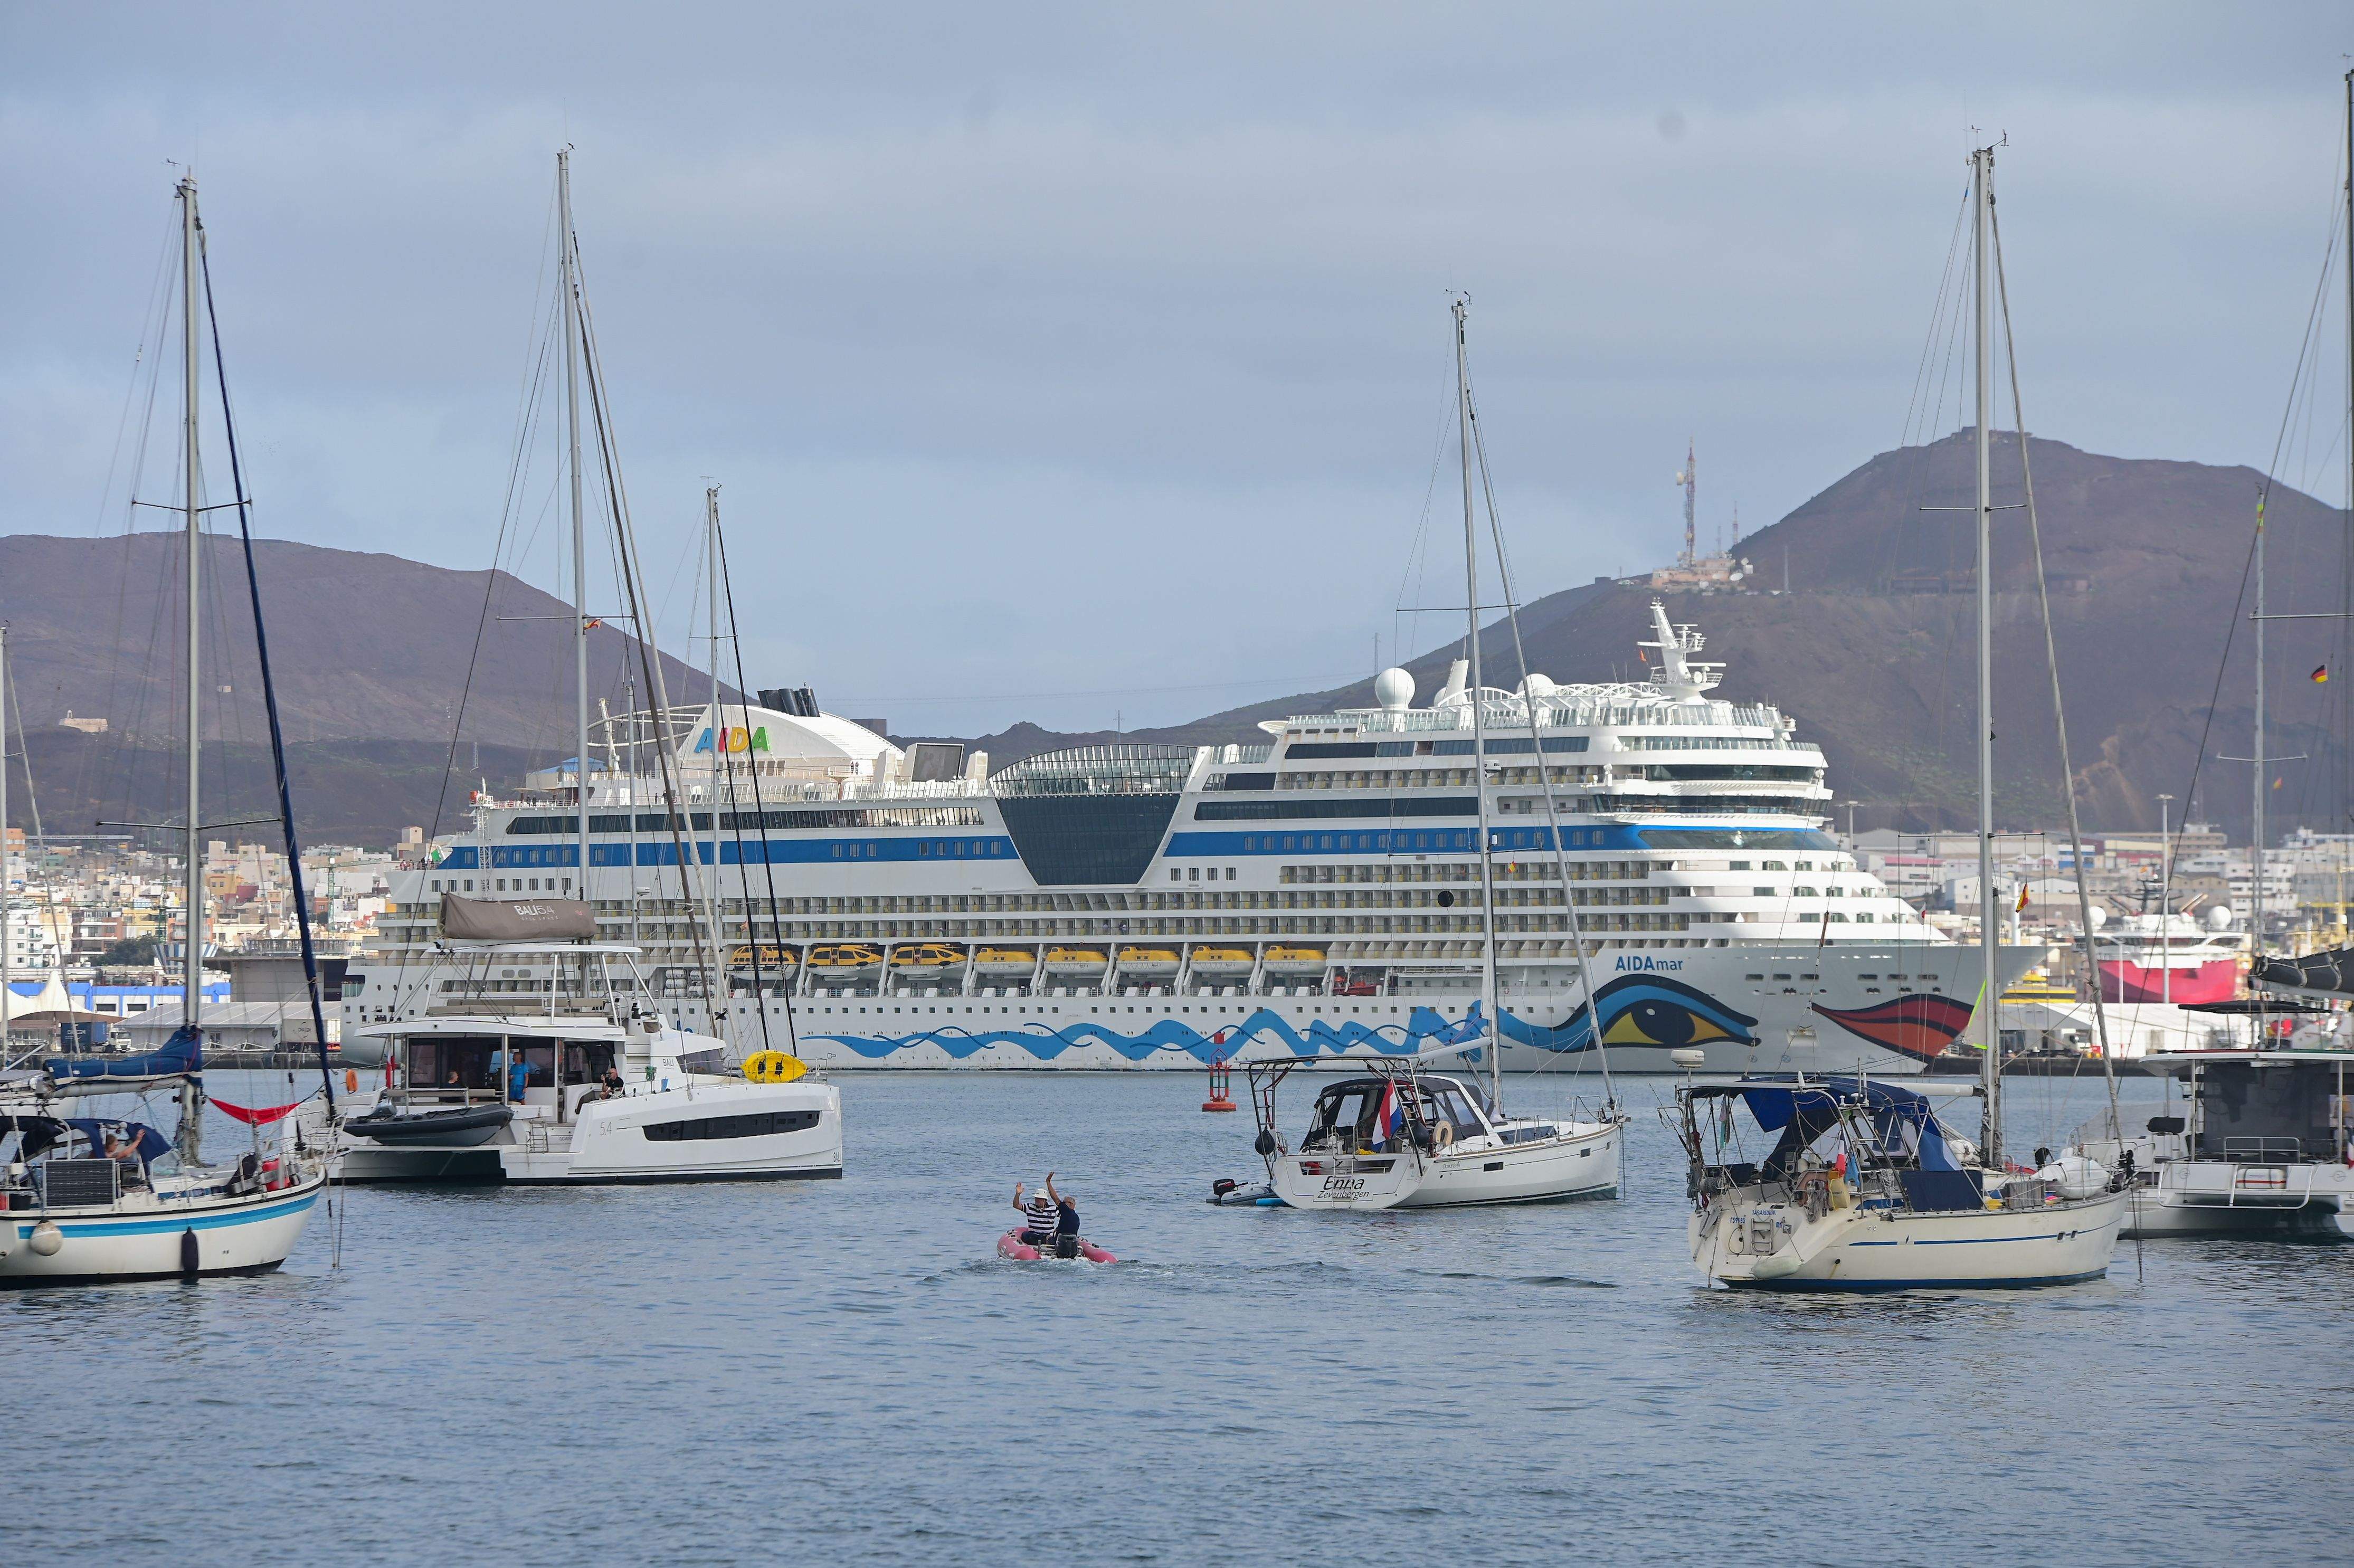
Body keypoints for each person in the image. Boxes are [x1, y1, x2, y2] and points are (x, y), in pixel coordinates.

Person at [1013, 1180, 1056, 1244]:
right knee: (1025, 1235)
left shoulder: (1053, 1209)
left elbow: (1065, 1215)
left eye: (1040, 1199)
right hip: (1034, 1236)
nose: (1037, 1200)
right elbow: (1016, 1205)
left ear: (1045, 1200)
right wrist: (1018, 1194)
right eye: (1037, 1198)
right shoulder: (1030, 1207)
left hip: (1048, 1236)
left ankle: (1046, 1241)